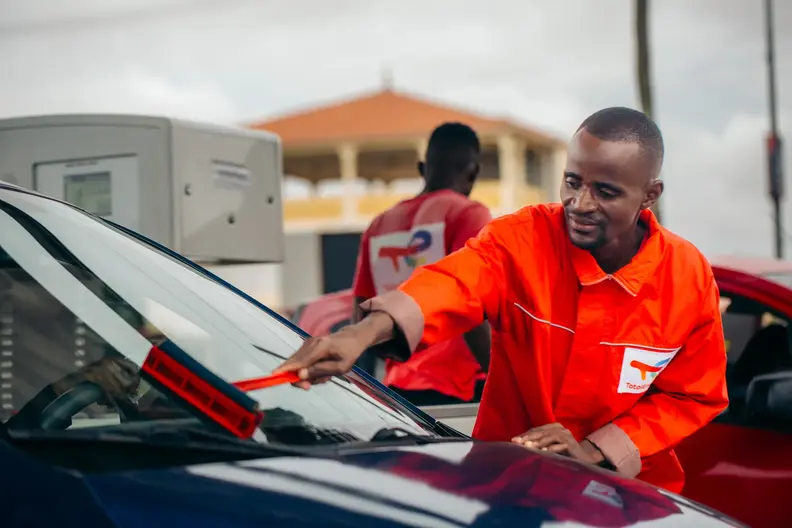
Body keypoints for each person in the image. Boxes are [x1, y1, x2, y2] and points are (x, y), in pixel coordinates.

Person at [274, 107, 728, 493]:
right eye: (572, 182)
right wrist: (362, 333)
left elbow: (693, 395)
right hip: (510, 489)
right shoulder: (523, 238)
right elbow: (455, 281)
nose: (581, 203)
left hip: (629, 500)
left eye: (606, 192)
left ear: (651, 195)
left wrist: (596, 450)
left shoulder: (686, 278)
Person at [351, 122, 492, 405]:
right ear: (473, 171)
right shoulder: (468, 214)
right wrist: (502, 378)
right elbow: (471, 302)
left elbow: (361, 314)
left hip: (400, 393)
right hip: (460, 389)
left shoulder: (380, 224)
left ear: (421, 168)